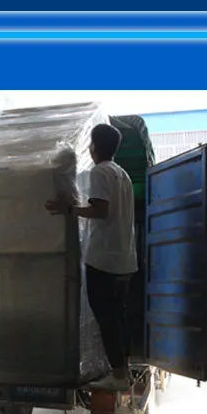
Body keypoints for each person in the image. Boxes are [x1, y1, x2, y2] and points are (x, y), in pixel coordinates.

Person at [47, 123, 138, 385]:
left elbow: (101, 210)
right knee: (118, 318)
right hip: (125, 260)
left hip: (104, 261)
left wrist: (70, 209)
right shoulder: (122, 174)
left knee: (107, 320)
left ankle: (119, 376)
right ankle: (125, 371)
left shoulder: (100, 171)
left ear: (95, 146)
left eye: (90, 143)